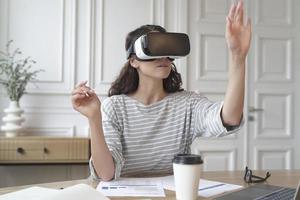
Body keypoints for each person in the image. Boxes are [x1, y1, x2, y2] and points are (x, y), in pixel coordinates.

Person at [71, 0, 251, 181]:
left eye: (167, 49)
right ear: (134, 61)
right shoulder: (115, 107)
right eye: (155, 49)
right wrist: (94, 119)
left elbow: (229, 119)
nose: (163, 57)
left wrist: (238, 57)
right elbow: (106, 174)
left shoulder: (187, 104)